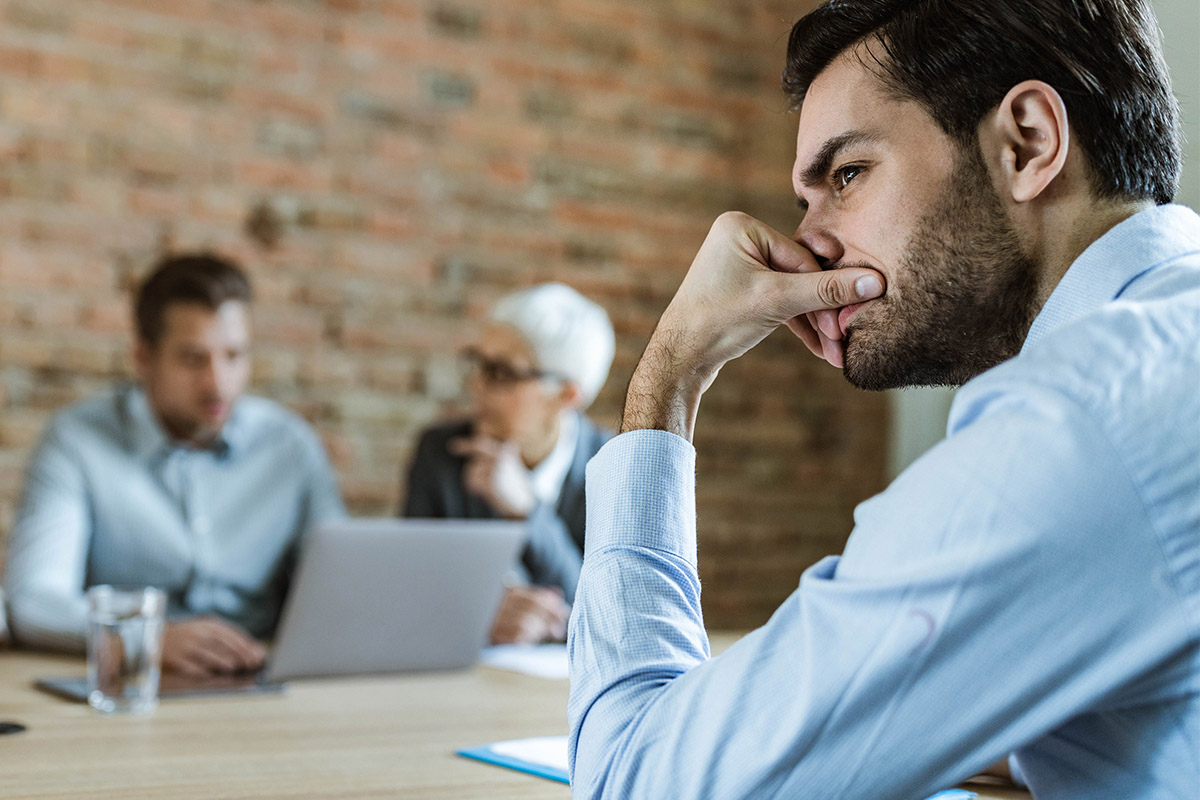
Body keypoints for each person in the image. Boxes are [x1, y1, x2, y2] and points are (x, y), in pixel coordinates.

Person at [568, 1, 1199, 798]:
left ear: (1027, 142)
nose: (811, 242)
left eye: (848, 174)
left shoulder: (1077, 425)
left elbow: (635, 778)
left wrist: (670, 374)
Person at [4, 254, 345, 677]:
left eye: (234, 356)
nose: (218, 383)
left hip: (261, 677)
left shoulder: (289, 444)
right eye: (192, 359)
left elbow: (342, 583)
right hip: (130, 682)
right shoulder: (76, 441)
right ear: (143, 357)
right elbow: (33, 601)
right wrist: (145, 636)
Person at [403, 283, 615, 645]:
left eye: (501, 372)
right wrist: (479, 615)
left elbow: (612, 613)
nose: (477, 384)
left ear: (566, 395)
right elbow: (409, 589)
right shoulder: (441, 453)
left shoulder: (615, 466)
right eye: (478, 363)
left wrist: (528, 512)